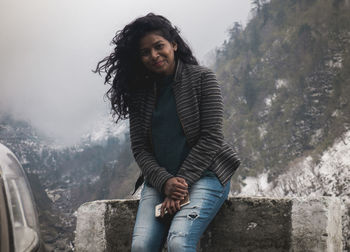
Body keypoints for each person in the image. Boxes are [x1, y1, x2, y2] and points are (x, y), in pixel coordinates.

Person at [95, 13, 240, 252]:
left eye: (158, 46)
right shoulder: (139, 93)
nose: (154, 55)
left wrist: (179, 185)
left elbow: (212, 137)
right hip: (159, 182)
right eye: (145, 52)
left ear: (173, 44)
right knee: (141, 246)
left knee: (179, 242)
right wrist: (165, 183)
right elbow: (140, 149)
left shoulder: (203, 79)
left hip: (207, 175)